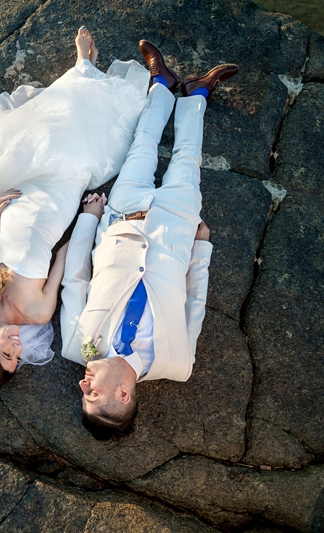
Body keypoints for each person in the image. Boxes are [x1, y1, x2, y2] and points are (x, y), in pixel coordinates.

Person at [0, 28, 152, 388]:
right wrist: (87, 219)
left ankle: (82, 70)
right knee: (81, 151)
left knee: (43, 134)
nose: (17, 348)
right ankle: (85, 71)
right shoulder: (38, 314)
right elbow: (62, 259)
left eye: (7, 354)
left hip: (16, 202)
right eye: (17, 358)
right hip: (58, 206)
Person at [59, 40, 239, 439]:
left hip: (122, 217)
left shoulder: (77, 346)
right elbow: (195, 301)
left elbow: (76, 278)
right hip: (177, 230)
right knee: (187, 157)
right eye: (92, 395)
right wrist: (202, 249)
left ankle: (161, 83)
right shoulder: (177, 364)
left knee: (143, 144)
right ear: (123, 395)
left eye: (83, 392)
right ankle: (197, 95)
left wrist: (89, 220)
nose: (82, 385)